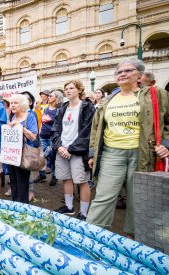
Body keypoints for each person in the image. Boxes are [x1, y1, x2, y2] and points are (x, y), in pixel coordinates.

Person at [86, 58, 169, 238]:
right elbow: (96, 129)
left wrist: (166, 145)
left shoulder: (156, 95)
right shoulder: (108, 100)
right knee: (103, 196)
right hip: (111, 153)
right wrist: (93, 153)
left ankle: (136, 240)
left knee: (138, 199)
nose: (122, 74)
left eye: (128, 70)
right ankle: (93, 236)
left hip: (143, 154)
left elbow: (167, 122)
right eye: (119, 72)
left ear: (139, 75)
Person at [51, 80, 95, 221]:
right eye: (66, 88)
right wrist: (59, 146)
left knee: (82, 181)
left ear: (79, 90)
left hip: (78, 151)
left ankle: (83, 213)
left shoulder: (87, 107)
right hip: (62, 149)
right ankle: (69, 207)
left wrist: (71, 149)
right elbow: (56, 130)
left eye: (71, 88)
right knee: (66, 179)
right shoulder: (62, 108)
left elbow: (87, 132)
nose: (68, 91)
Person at [8, 94, 39, 204]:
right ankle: (14, 205)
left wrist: (21, 128)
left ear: (22, 104)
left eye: (15, 103)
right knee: (13, 182)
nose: (12, 105)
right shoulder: (13, 117)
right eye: (11, 103)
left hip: (24, 155)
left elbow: (34, 137)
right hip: (12, 154)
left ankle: (22, 207)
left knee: (22, 183)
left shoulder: (29, 116)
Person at [39, 90, 64, 186]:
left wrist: (50, 120)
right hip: (43, 135)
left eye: (51, 96)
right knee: (44, 155)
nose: (48, 97)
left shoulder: (59, 109)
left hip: (52, 137)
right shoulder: (47, 108)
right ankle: (43, 174)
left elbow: (59, 123)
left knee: (52, 157)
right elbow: (42, 121)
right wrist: (40, 131)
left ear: (56, 98)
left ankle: (54, 176)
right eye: (48, 96)